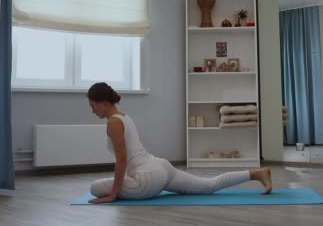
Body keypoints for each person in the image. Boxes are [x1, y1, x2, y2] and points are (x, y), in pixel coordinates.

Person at [87, 82, 272, 204]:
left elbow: (121, 161)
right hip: (162, 167)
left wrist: (113, 194)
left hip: (146, 180)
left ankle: (257, 174)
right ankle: (256, 173)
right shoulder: (124, 116)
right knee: (208, 186)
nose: (92, 110)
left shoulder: (113, 123)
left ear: (103, 102)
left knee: (95, 188)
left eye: (93, 105)